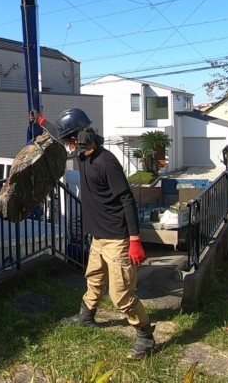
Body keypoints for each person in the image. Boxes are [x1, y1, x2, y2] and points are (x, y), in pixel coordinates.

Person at [31, 107, 155, 359]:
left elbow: (127, 200)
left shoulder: (106, 162)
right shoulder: (82, 155)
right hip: (98, 236)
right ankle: (86, 316)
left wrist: (134, 240)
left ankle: (145, 337)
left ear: (82, 136)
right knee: (94, 278)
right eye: (67, 141)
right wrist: (41, 120)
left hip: (117, 239)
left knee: (120, 295)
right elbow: (58, 135)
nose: (67, 146)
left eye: (70, 140)